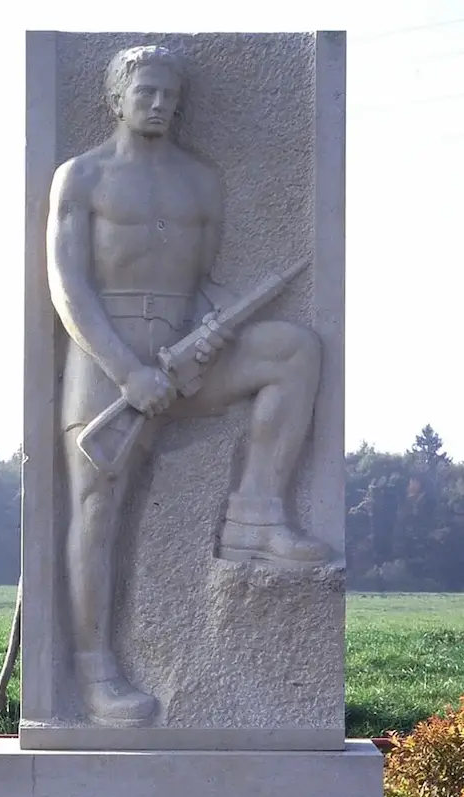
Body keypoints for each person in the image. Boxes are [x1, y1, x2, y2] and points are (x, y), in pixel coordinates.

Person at [46, 44, 326, 725]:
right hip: (104, 356)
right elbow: (67, 285)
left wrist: (210, 335)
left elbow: (199, 282)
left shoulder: (201, 181)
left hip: (180, 350)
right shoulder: (79, 176)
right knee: (95, 510)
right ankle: (95, 673)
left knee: (291, 349)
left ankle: (255, 517)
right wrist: (125, 372)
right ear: (116, 97)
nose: (159, 103)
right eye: (145, 91)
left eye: (170, 94)